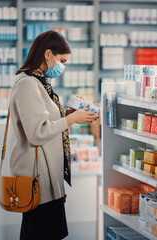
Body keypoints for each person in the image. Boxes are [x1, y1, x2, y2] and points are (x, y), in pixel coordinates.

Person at [9, 30, 98, 240]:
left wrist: (67, 114)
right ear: (48, 54)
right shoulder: (28, 84)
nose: (63, 67)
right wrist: (71, 120)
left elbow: (44, 121)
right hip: (38, 178)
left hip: (47, 176)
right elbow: (37, 132)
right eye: (62, 60)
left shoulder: (41, 82)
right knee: (40, 233)